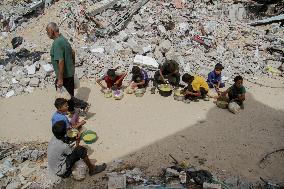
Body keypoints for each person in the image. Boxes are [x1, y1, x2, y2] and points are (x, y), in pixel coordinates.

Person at [46, 22, 89, 113]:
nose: (47, 34)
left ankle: (83, 105)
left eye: (47, 31)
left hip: (64, 75)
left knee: (65, 95)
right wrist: (72, 66)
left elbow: (60, 61)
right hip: (69, 73)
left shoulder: (57, 43)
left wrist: (60, 78)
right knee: (69, 93)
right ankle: (71, 109)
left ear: (51, 30)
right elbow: (73, 52)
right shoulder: (63, 39)